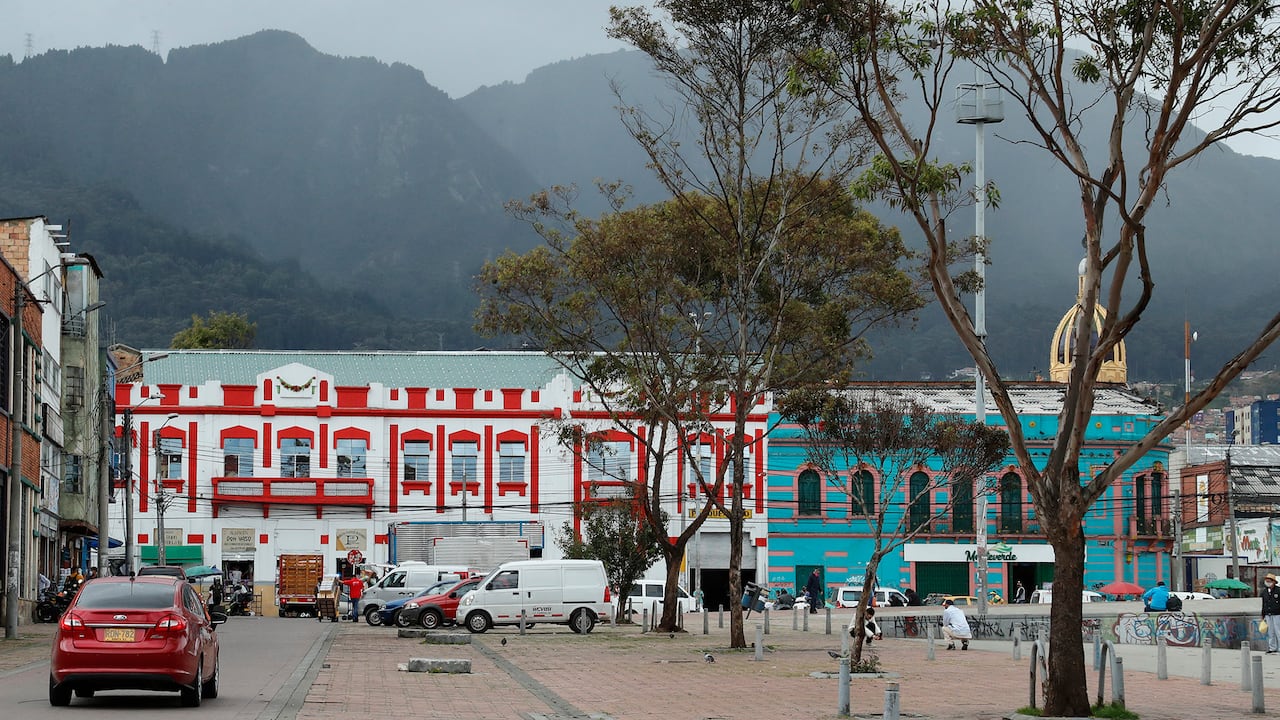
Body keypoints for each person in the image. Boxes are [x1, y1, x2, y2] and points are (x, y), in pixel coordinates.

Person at [1263, 573, 1280, 654]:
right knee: (1271, 632)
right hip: (1268, 614)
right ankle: (1272, 647)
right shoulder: (1265, 591)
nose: (1267, 582)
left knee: (1278, 631)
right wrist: (1263, 614)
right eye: (1266, 581)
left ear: (1273, 582)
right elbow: (1264, 603)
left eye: (1269, 581)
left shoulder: (1278, 590)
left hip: (1277, 614)